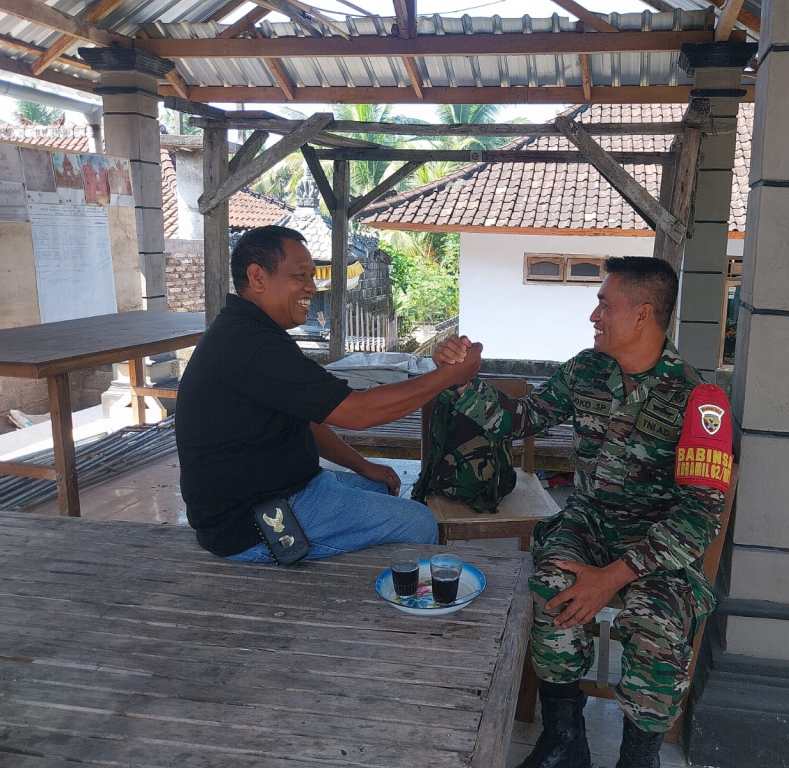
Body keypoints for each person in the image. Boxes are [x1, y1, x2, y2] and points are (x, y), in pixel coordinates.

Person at [444, 257, 729, 768]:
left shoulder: (697, 397)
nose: (594, 316)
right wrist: (463, 380)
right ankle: (564, 740)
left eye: (604, 305)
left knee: (658, 621)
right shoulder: (585, 370)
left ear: (642, 314)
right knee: (551, 587)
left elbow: (698, 517)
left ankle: (638, 757)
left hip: (656, 545)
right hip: (589, 522)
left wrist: (611, 578)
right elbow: (520, 420)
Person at [175, 225, 480, 563]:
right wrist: (448, 376)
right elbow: (358, 412)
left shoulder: (252, 332)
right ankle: (391, 595)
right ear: (258, 277)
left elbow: (308, 419)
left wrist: (363, 465)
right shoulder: (250, 344)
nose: (311, 286)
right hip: (253, 523)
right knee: (419, 522)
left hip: (286, 489)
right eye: (300, 276)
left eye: (311, 276)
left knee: (382, 485)